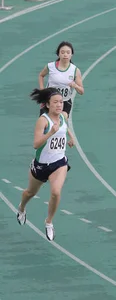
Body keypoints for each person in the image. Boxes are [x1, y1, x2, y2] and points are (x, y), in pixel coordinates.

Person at [16, 88, 75, 241]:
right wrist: (50, 133)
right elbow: (36, 144)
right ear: (47, 105)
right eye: (55, 102)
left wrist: (70, 137)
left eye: (61, 102)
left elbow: (65, 128)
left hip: (59, 163)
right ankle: (22, 208)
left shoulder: (62, 117)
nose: (59, 105)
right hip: (41, 165)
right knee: (30, 193)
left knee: (56, 192)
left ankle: (49, 222)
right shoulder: (43, 120)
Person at [38, 41, 84, 120]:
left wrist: (75, 85)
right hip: (49, 101)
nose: (65, 54)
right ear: (58, 54)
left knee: (60, 121)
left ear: (71, 54)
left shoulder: (75, 70)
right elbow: (41, 75)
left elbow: (81, 91)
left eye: (68, 52)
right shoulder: (51, 66)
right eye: (62, 52)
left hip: (64, 102)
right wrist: (42, 90)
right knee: (45, 124)